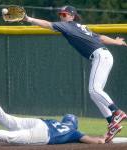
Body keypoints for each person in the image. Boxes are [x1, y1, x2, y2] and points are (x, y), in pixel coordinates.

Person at [22, 5, 127, 141]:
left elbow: (47, 24)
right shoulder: (79, 27)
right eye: (61, 14)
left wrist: (28, 18)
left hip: (100, 56)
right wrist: (116, 42)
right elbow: (100, 38)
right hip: (103, 56)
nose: (62, 16)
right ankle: (112, 122)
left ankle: (117, 112)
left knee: (94, 90)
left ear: (72, 16)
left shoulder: (69, 26)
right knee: (95, 92)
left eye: (65, 14)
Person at [0, 86, 107, 144]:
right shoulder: (74, 132)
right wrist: (104, 137)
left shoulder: (56, 122)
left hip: (40, 122)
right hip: (45, 134)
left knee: (6, 119)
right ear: (75, 125)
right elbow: (96, 142)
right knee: (15, 137)